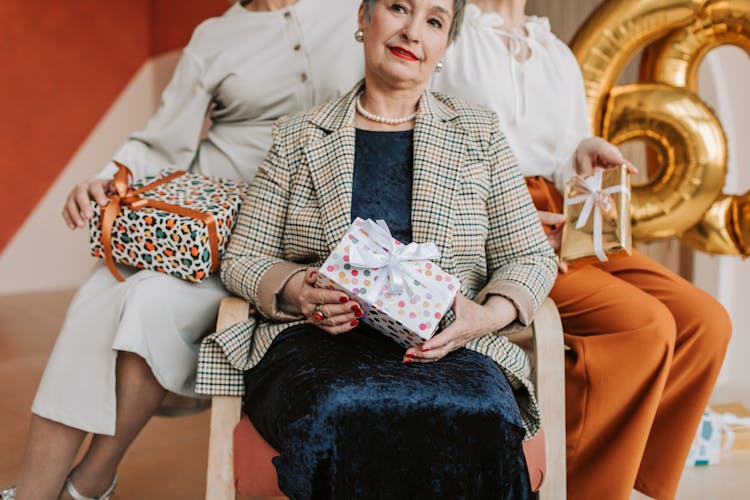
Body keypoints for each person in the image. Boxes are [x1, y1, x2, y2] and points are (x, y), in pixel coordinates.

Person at [2, 1, 363, 499]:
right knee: (99, 298)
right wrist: (109, 178)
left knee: (147, 304)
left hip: (273, 242)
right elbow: (162, 141)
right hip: (201, 227)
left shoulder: (354, 12)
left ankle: (90, 481)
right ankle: (34, 494)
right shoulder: (214, 35)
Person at [205, 0, 558, 497]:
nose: (412, 31)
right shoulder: (298, 135)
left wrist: (485, 316)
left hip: (451, 348)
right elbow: (244, 257)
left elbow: (531, 256)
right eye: (398, 8)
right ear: (363, 18)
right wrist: (296, 289)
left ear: (446, 45)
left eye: (434, 21)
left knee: (480, 410)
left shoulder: (478, 132)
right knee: (341, 404)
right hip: (318, 343)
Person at [431, 1, 732, 499]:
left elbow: (564, 148)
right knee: (644, 325)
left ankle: (614, 478)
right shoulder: (450, 32)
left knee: (706, 322)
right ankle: (581, 485)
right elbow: (430, 146)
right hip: (497, 219)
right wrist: (511, 220)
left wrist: (585, 152)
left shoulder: (554, 52)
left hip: (567, 216)